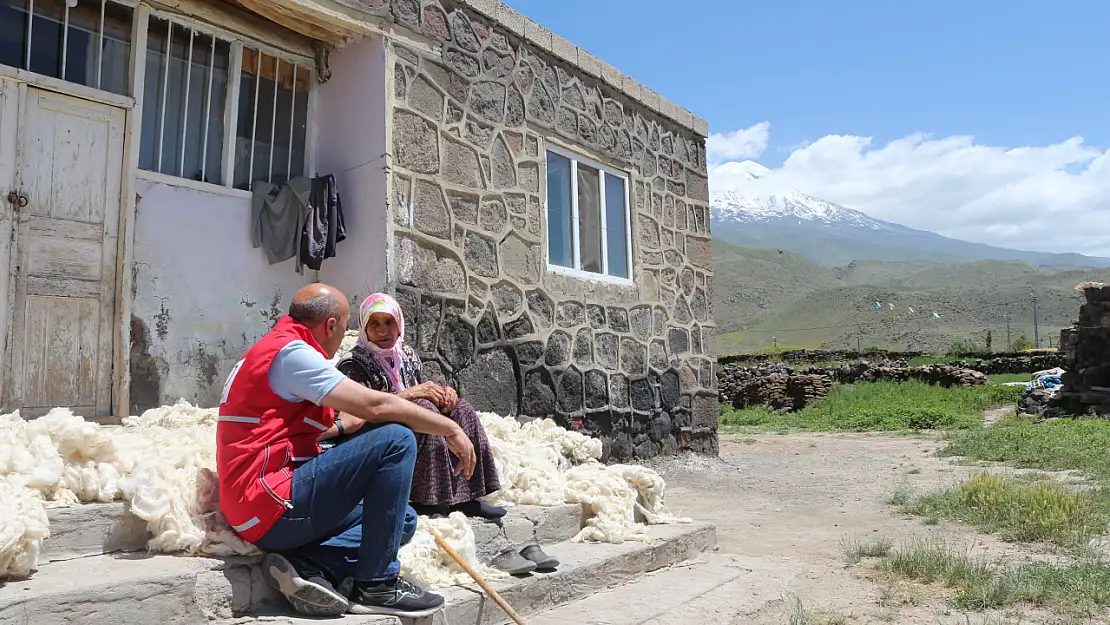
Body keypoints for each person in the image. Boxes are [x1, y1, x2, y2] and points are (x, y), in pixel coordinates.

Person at [216, 284, 476, 619]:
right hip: (270, 505)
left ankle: (308, 564)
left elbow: (319, 423)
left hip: (258, 508)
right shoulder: (294, 355)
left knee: (402, 519)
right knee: (396, 438)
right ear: (330, 325)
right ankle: (378, 585)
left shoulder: (272, 351)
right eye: (348, 327)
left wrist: (347, 426)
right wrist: (450, 428)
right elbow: (377, 405)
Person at [336, 293, 505, 520]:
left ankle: (466, 498)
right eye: (374, 323)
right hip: (373, 433)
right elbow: (362, 410)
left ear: (399, 324)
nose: (383, 331)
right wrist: (415, 394)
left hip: (409, 418)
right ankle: (428, 502)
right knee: (424, 409)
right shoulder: (353, 364)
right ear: (364, 328)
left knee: (462, 410)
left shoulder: (406, 354)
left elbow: (424, 388)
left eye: (389, 322)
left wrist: (446, 395)